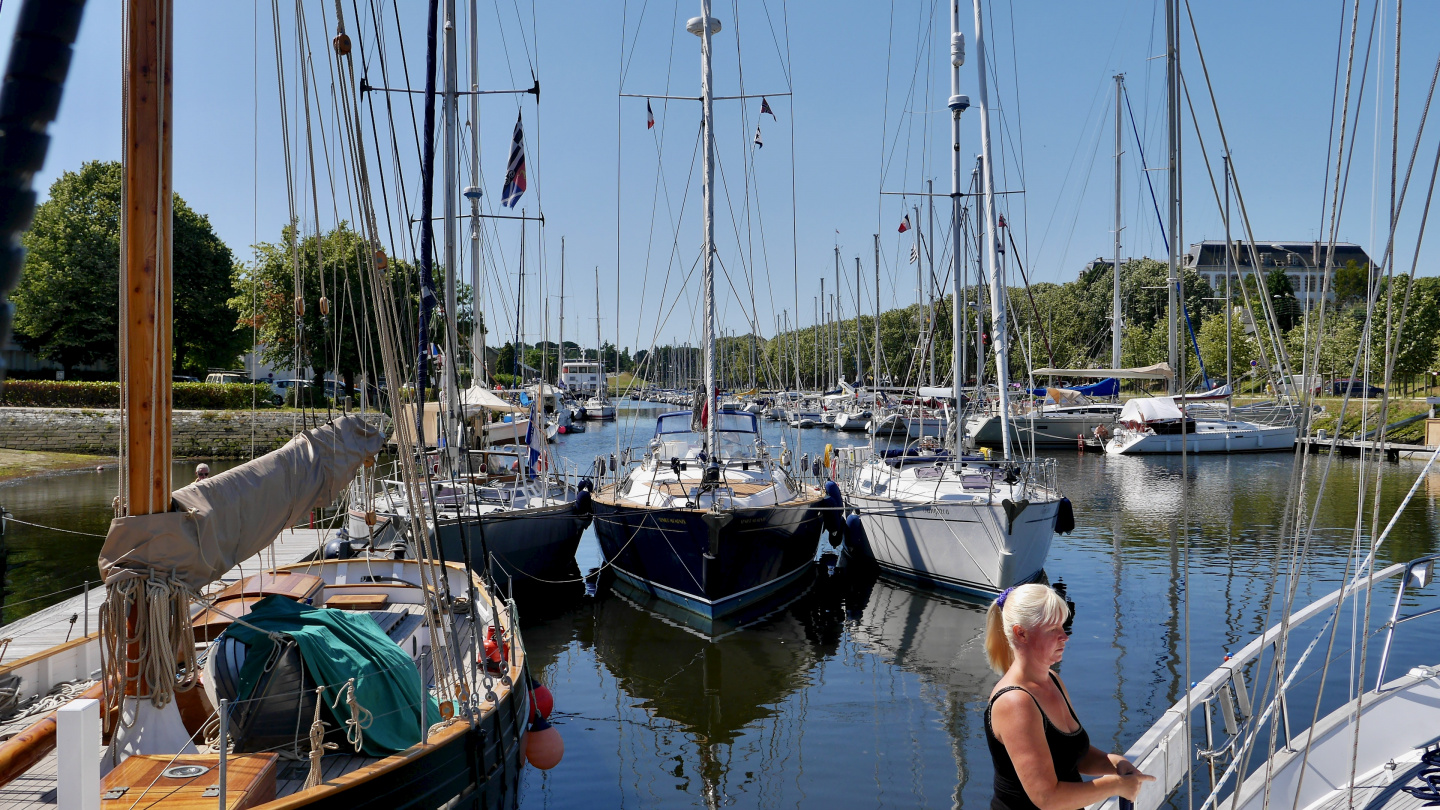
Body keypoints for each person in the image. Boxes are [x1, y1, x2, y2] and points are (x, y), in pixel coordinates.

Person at [984, 583, 1153, 810]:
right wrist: (1115, 786)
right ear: (1021, 633)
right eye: (1052, 629)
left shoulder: (1052, 680)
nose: (1064, 637)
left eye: (1063, 627)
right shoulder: (1015, 702)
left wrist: (1115, 763)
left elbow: (1071, 754)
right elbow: (1047, 798)